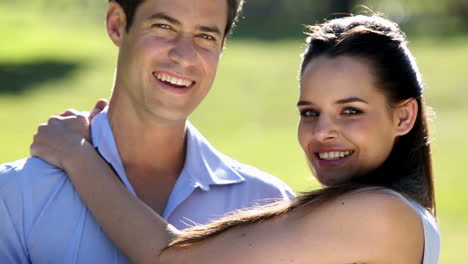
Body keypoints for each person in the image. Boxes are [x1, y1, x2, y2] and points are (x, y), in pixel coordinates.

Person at [30, 15, 440, 263]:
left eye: (351, 111)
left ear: (403, 116)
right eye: (309, 112)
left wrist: (77, 153)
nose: (321, 132)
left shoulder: (381, 214)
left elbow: (171, 261)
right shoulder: (389, 213)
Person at [0, 0, 294, 262]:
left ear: (222, 46)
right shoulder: (16, 195)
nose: (184, 56)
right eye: (164, 26)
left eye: (205, 36)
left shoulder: (268, 205)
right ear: (117, 24)